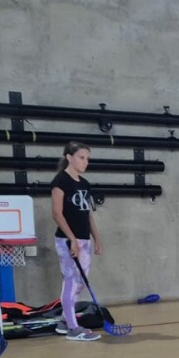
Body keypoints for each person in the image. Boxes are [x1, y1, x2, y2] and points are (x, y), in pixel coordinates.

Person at [50, 141, 102, 342]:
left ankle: (65, 321)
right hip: (67, 240)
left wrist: (96, 238)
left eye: (87, 158)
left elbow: (87, 214)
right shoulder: (60, 181)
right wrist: (71, 239)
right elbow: (57, 213)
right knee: (70, 282)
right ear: (69, 157)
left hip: (83, 239)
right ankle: (73, 328)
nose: (85, 162)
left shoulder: (84, 183)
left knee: (80, 283)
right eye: (81, 157)